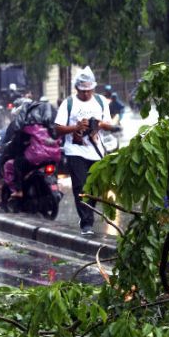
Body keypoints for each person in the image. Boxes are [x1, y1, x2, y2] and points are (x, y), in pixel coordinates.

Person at [54, 67, 117, 235]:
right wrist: (76, 127)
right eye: (83, 91)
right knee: (80, 187)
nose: (86, 94)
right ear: (77, 89)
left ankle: (89, 215)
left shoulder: (101, 101)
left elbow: (109, 125)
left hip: (96, 152)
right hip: (75, 151)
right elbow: (58, 129)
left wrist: (99, 124)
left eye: (89, 90)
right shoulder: (69, 103)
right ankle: (86, 223)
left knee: (95, 188)